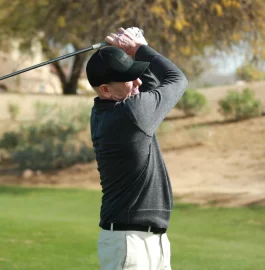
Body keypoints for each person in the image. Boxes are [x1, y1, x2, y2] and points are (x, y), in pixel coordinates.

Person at [85, 26, 188, 270]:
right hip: (129, 242)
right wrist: (138, 48)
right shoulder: (132, 113)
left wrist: (136, 52)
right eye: (128, 78)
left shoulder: (109, 110)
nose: (137, 81)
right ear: (105, 90)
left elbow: (148, 87)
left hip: (150, 239)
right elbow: (177, 80)